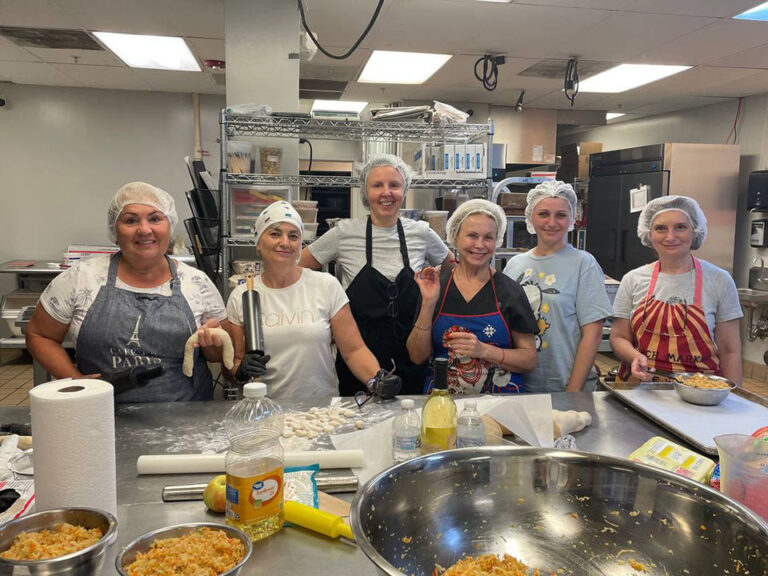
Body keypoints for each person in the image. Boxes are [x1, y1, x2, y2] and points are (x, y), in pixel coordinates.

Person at [26, 182, 228, 402]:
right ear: (114, 230)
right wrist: (76, 381)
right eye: (131, 220)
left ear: (169, 225)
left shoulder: (197, 283)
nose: (144, 229)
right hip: (99, 413)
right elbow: (40, 335)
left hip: (186, 418)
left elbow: (217, 356)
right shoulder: (81, 277)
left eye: (154, 218)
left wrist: (213, 343)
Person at [299, 154, 455, 396]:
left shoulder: (421, 233)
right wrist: (322, 310)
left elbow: (453, 269)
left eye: (394, 185)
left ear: (404, 190)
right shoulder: (344, 233)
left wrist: (433, 301)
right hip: (357, 358)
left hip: (413, 355)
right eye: (377, 185)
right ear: (365, 191)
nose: (386, 193)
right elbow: (299, 268)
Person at [227, 201, 384, 403]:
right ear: (258, 242)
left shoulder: (325, 285)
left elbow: (354, 350)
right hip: (263, 412)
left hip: (320, 413)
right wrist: (240, 371)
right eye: (275, 234)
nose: (285, 242)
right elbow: (233, 364)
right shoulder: (242, 296)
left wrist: (377, 380)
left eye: (293, 236)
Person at [407, 199, 538, 395]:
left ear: (497, 240)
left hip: (502, 407)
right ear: (455, 237)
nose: (480, 245)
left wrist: (484, 351)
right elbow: (417, 356)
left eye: (488, 237)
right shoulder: (436, 287)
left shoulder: (510, 292)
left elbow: (529, 360)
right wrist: (428, 303)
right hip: (444, 404)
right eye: (472, 236)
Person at [609, 195, 743, 384]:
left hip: (700, 391)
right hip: (640, 387)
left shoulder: (719, 281)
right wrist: (634, 356)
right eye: (660, 228)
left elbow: (730, 351)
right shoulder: (633, 279)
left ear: (694, 231)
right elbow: (619, 337)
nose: (670, 237)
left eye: (680, 227)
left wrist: (734, 398)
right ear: (649, 233)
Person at [503, 181, 612, 392]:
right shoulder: (516, 265)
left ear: (572, 218)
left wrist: (573, 392)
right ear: (530, 218)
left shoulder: (583, 264)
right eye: (543, 214)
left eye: (560, 215)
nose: (551, 222)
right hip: (518, 384)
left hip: (565, 385)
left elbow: (593, 334)